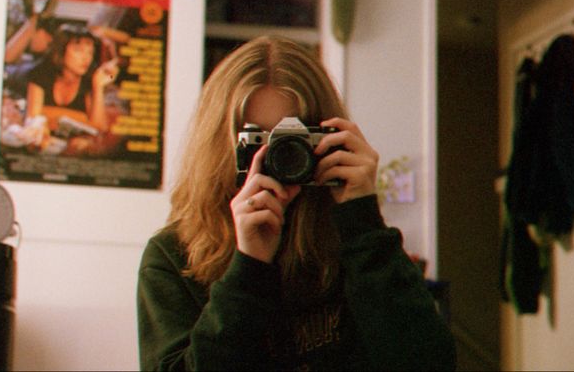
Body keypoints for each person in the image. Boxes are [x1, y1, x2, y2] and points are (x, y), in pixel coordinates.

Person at [136, 36, 456, 371]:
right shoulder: (173, 256)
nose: (277, 156)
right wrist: (248, 268)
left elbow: (430, 363)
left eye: (293, 138)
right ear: (220, 142)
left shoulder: (354, 241)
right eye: (256, 139)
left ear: (328, 135)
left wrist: (363, 222)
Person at [26, 23, 119, 133]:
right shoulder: (41, 73)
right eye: (78, 50)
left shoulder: (91, 78)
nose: (86, 58)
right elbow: (34, 118)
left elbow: (99, 127)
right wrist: (83, 118)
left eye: (90, 52)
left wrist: (98, 86)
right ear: (61, 51)